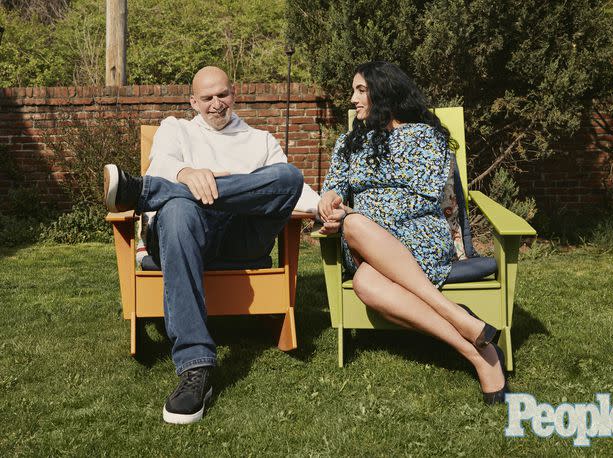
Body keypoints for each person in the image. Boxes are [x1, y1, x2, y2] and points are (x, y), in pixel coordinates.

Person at [103, 66, 306, 424]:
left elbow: (289, 191)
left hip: (241, 239)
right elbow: (162, 161)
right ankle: (195, 367)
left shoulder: (262, 140)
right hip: (183, 235)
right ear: (193, 101)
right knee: (180, 207)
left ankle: (145, 192)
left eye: (222, 95)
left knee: (289, 175)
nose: (216, 104)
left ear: (234, 94)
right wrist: (186, 174)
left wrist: (325, 206)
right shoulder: (175, 128)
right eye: (207, 97)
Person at [318, 61, 508, 404]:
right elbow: (333, 188)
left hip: (417, 235)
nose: (353, 99)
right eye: (354, 91)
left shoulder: (425, 136)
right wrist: (329, 202)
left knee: (363, 277)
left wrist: (355, 215)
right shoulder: (349, 143)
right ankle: (469, 339)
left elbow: (417, 200)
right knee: (356, 229)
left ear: (384, 91)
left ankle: (469, 340)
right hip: (364, 244)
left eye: (361, 91)